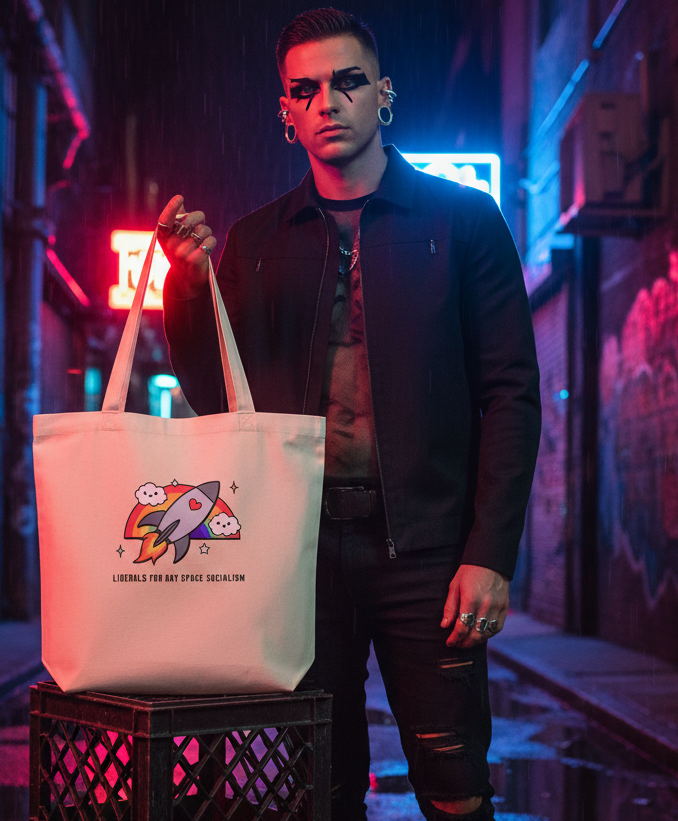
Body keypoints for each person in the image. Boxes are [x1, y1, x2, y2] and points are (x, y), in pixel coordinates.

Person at [156, 9, 541, 820]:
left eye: (346, 81)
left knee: (454, 782)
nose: (327, 101)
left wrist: (489, 552)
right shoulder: (254, 240)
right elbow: (218, 395)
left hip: (429, 552)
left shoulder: (462, 222)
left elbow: (509, 391)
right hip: (296, 555)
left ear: (383, 95)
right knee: (312, 787)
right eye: (305, 90)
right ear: (285, 114)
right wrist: (187, 287)